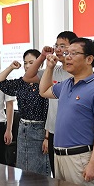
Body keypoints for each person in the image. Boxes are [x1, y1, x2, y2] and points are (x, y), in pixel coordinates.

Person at [39, 38, 94, 186]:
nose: (67, 57)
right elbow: (44, 91)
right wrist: (50, 68)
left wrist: (93, 164)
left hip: (80, 158)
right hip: (59, 156)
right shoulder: (66, 84)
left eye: (73, 53)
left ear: (89, 59)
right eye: (67, 53)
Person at [24, 30, 76, 175]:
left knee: (73, 178)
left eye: (63, 46)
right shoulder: (53, 70)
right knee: (57, 176)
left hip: (72, 133)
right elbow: (28, 77)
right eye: (56, 45)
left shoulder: (78, 73)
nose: (58, 49)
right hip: (53, 131)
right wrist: (42, 57)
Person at [0, 49, 50, 176]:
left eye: (31, 62)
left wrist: (47, 137)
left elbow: (49, 112)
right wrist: (11, 67)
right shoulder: (22, 82)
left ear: (40, 63)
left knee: (39, 171)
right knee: (23, 168)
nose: (27, 66)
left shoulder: (45, 82)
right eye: (25, 63)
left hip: (40, 130)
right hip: (23, 128)